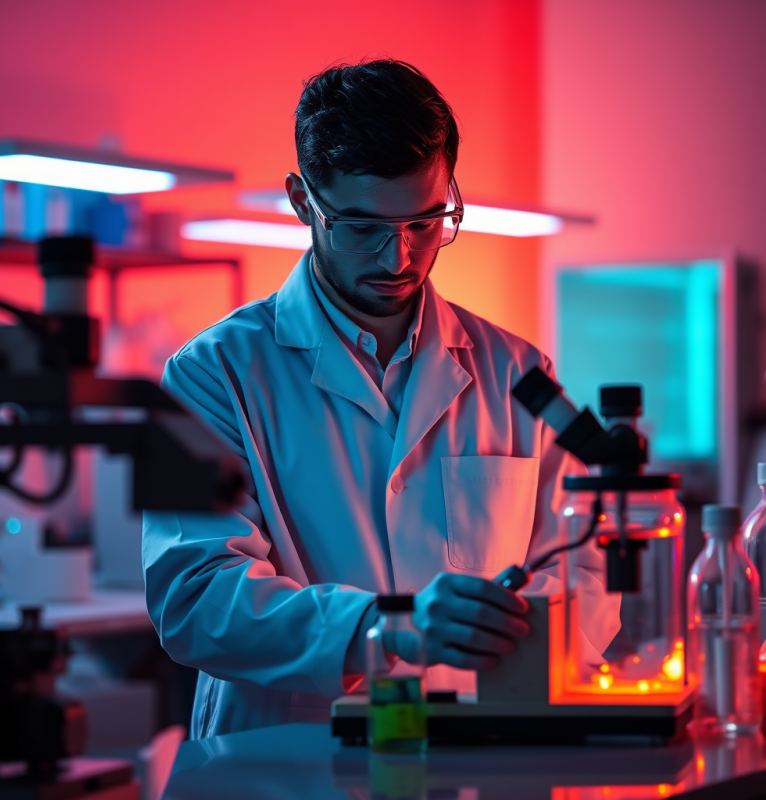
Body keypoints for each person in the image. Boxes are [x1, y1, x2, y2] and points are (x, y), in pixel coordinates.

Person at [143, 59, 619, 739]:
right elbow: (196, 600)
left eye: (425, 222)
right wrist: (388, 628)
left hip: (475, 751)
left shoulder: (518, 372)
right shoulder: (212, 375)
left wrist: (529, 621)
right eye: (361, 227)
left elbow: (586, 559)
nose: (397, 258)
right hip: (287, 759)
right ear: (303, 201)